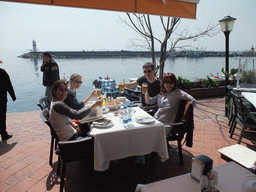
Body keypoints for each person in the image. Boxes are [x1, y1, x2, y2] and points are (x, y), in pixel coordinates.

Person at [0, 59, 16, 141]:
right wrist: (13, 96)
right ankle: (3, 135)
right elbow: (9, 85)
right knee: (2, 117)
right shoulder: (2, 72)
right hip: (1, 98)